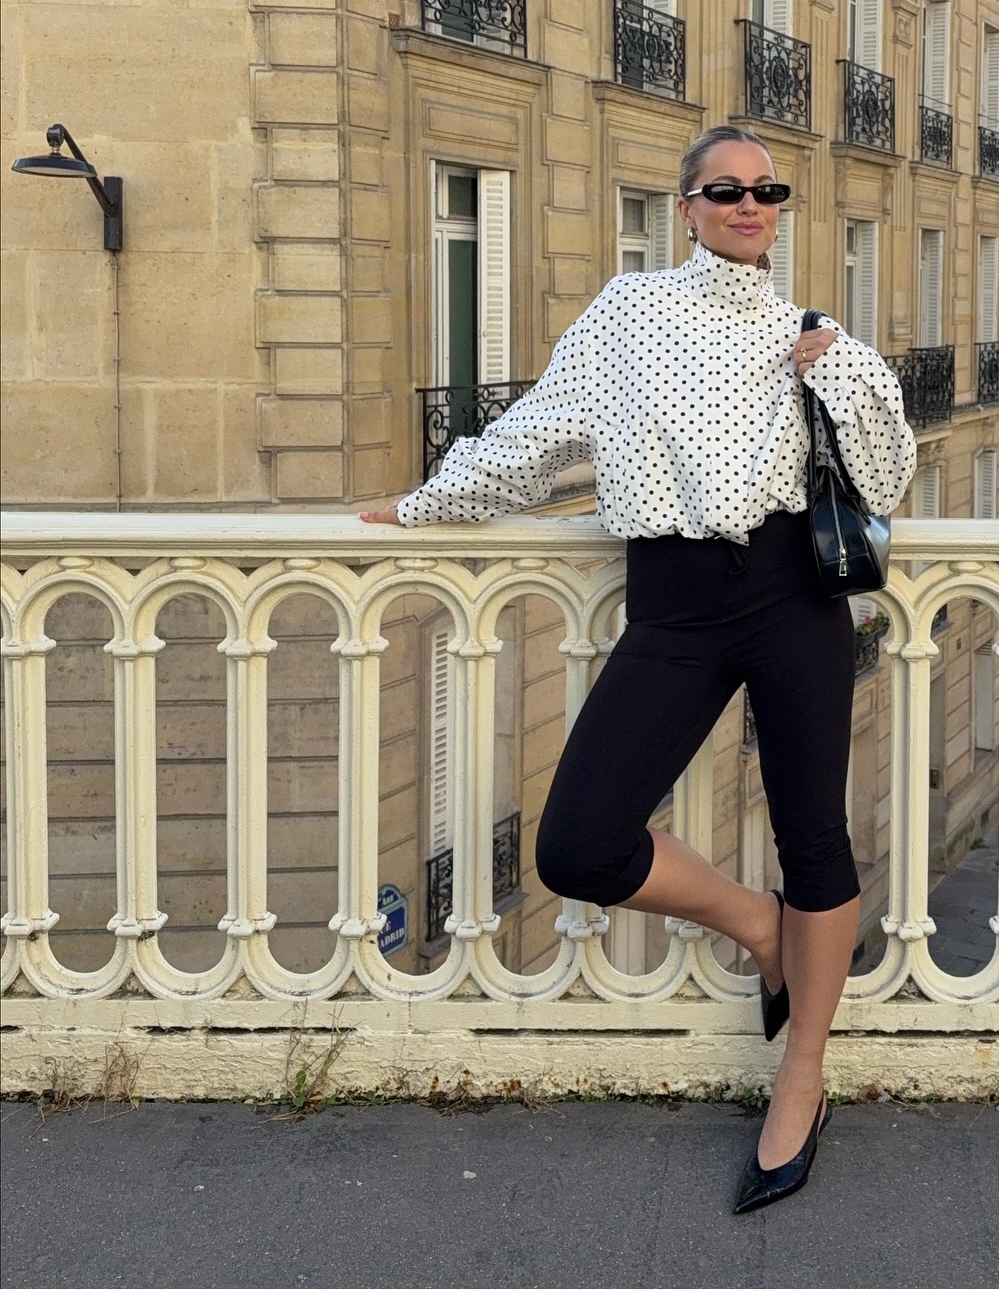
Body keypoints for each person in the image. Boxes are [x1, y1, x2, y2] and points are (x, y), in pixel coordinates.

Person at [364, 125, 916, 1211]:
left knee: (815, 833)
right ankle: (761, 929)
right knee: (577, 841)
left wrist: (845, 370)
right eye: (727, 190)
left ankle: (800, 1074)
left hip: (793, 595)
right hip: (676, 605)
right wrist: (424, 502)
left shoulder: (812, 334)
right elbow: (541, 434)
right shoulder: (629, 314)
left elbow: (888, 474)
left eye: (768, 191)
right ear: (688, 207)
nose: (750, 206)